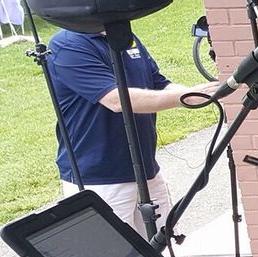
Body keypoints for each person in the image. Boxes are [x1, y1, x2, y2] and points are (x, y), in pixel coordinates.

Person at [48, 27, 216, 236]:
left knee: (164, 245)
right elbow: (116, 100)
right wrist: (184, 97)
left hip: (146, 170)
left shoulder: (123, 35)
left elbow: (159, 83)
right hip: (100, 178)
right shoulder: (68, 45)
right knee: (115, 252)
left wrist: (198, 94)